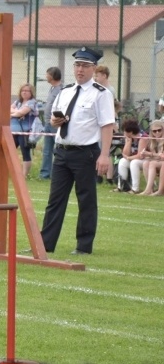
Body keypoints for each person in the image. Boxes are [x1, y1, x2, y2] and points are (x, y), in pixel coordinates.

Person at [40, 47, 115, 255]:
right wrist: (56, 121)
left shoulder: (101, 94)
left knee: (86, 200)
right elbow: (56, 121)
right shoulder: (65, 91)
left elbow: (107, 125)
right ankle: (45, 243)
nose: (80, 70)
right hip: (62, 151)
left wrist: (104, 154)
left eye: (85, 66)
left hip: (85, 152)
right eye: (77, 65)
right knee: (55, 200)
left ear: (93, 68)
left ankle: (84, 245)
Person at [9, 83, 38, 179]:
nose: (24, 92)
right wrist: (16, 113)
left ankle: (24, 175)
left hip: (25, 131)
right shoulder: (18, 102)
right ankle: (12, 172)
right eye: (23, 90)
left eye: (27, 91)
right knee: (9, 151)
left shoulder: (32, 102)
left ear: (31, 92)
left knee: (25, 153)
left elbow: (22, 112)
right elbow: (9, 109)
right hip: (13, 131)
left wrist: (16, 112)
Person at [39, 66, 62, 180]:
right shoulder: (52, 89)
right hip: (47, 123)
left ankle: (56, 174)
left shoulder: (60, 90)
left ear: (52, 76)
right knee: (46, 150)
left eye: (47, 74)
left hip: (54, 124)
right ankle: (44, 174)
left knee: (56, 150)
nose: (46, 76)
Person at [114, 119, 147, 194]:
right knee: (122, 161)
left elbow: (140, 155)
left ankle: (135, 189)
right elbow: (125, 154)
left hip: (145, 160)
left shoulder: (143, 137)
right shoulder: (129, 138)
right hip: (134, 158)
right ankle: (121, 186)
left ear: (131, 132)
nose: (124, 133)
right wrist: (128, 142)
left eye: (125, 131)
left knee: (134, 163)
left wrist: (129, 158)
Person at [138, 120, 164, 196]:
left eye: (159, 130)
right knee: (146, 163)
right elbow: (157, 156)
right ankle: (150, 189)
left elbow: (162, 156)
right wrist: (145, 155)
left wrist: (150, 154)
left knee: (152, 163)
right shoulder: (153, 141)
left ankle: (156, 190)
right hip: (159, 161)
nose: (157, 133)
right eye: (154, 131)